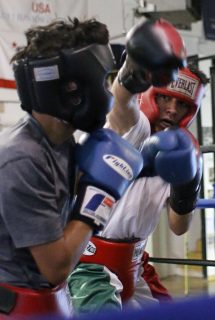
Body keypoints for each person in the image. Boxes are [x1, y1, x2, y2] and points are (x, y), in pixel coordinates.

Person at [0, 17, 150, 318]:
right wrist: (98, 197)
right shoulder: (22, 159)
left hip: (52, 300)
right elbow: (56, 267)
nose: (107, 96)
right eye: (101, 82)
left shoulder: (63, 143)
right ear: (71, 90)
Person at [67, 19, 209, 314]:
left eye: (181, 104)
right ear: (151, 93)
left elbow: (178, 227)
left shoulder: (182, 149)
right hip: (90, 263)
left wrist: (188, 185)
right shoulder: (134, 127)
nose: (172, 109)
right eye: (166, 98)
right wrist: (135, 66)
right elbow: (121, 101)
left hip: (134, 263)